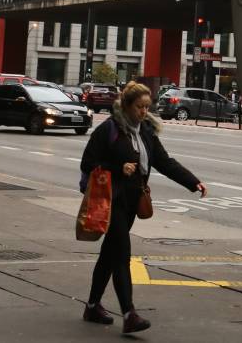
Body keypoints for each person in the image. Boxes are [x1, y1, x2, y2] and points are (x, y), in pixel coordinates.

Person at [79, 81, 207, 334]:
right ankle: (129, 314)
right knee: (121, 254)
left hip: (132, 201)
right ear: (127, 105)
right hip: (111, 199)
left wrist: (193, 182)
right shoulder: (109, 130)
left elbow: (164, 162)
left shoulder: (146, 131)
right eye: (139, 107)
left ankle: (92, 306)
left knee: (110, 254)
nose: (144, 112)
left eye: (147, 107)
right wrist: (118, 168)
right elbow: (88, 162)